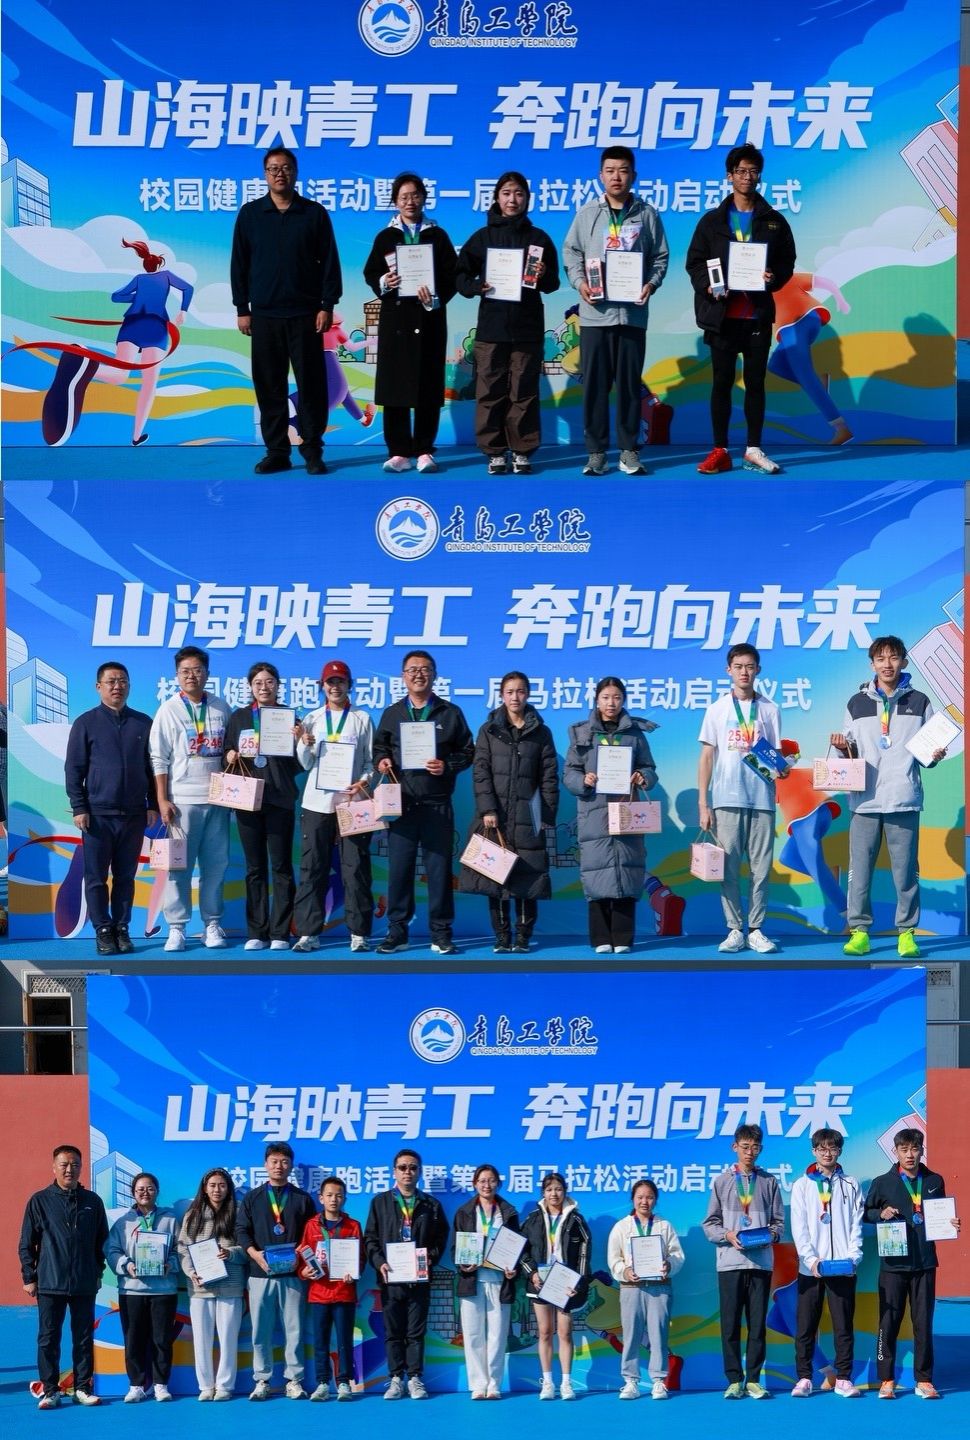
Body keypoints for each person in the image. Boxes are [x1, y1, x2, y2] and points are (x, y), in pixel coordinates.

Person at [831, 635, 947, 959]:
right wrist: (842, 747)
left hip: (903, 797)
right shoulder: (856, 703)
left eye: (893, 658)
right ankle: (859, 932)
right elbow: (850, 753)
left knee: (906, 871)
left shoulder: (920, 701)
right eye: (880, 659)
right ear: (872, 664)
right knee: (859, 871)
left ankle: (906, 933)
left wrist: (935, 755)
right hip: (865, 801)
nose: (887, 664)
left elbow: (928, 751)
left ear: (904, 662)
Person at [686, 143, 796, 475]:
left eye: (753, 171)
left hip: (757, 316)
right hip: (722, 317)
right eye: (741, 171)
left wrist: (773, 277)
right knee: (721, 383)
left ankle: (753, 449)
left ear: (759, 176)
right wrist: (708, 285)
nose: (747, 177)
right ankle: (719, 450)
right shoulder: (712, 221)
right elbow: (695, 263)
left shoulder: (773, 221)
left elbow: (786, 262)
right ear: (729, 175)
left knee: (755, 383)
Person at [230, 145, 341, 475]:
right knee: (270, 386)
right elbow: (239, 264)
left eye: (286, 168)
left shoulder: (313, 213)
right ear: (265, 175)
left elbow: (330, 262)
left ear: (296, 172)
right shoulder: (251, 214)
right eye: (273, 168)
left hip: (306, 315)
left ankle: (312, 450)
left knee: (312, 386)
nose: (280, 173)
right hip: (264, 315)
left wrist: (327, 305)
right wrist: (242, 307)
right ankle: (277, 451)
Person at [562, 144, 669, 476]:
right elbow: (571, 252)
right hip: (595, 316)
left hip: (632, 315)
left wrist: (650, 284)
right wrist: (581, 283)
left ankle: (628, 450)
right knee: (594, 387)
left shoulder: (646, 214)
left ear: (633, 175)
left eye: (623, 170)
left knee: (629, 386)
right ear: (600, 176)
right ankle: (596, 453)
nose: (616, 177)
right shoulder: (587, 214)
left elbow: (660, 256)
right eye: (610, 171)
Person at [41, 237, 192, 448]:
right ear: (159, 265)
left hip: (131, 324)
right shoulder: (166, 276)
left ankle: (87, 367)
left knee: (121, 374)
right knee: (149, 384)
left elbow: (116, 296)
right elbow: (187, 288)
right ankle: (136, 436)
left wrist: (137, 298)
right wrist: (183, 311)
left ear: (145, 266)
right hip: (154, 327)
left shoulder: (139, 279)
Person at [455, 171, 560, 474]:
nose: (512, 199)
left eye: (519, 193)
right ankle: (495, 452)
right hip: (492, 328)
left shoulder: (538, 238)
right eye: (506, 193)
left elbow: (553, 283)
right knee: (490, 392)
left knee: (524, 392)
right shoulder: (482, 238)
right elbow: (460, 276)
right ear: (497, 198)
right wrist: (477, 286)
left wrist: (543, 276)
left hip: (527, 328)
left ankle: (523, 450)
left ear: (527, 199)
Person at [372, 650, 474, 955]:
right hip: (401, 804)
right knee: (399, 871)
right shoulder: (393, 713)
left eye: (425, 669)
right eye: (412, 669)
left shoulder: (449, 712)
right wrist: (382, 761)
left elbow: (468, 751)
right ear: (403, 676)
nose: (419, 674)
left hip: (437, 803)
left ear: (434, 675)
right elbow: (379, 747)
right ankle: (397, 932)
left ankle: (441, 933)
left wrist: (447, 765)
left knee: (439, 871)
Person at [363, 172, 457, 473]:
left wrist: (436, 297)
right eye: (404, 197)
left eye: (415, 195)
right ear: (395, 201)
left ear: (424, 198)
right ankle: (399, 452)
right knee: (395, 387)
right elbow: (370, 273)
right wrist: (385, 281)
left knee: (428, 385)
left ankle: (425, 450)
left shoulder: (437, 236)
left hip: (429, 317)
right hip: (396, 320)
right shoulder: (385, 237)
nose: (410, 202)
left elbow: (452, 276)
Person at [698, 643, 788, 954]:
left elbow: (776, 755)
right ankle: (735, 929)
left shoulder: (770, 709)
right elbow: (707, 756)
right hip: (726, 798)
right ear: (729, 670)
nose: (744, 672)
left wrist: (782, 767)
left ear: (758, 670)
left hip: (762, 798)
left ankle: (756, 929)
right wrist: (703, 803)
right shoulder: (717, 709)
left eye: (750, 666)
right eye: (738, 667)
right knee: (728, 868)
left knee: (761, 870)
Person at [459, 671, 559, 952]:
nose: (516, 697)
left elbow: (549, 776)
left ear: (528, 694)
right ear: (502, 695)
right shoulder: (488, 730)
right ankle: (502, 936)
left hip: (529, 817)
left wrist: (547, 815)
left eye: (521, 691)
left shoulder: (541, 732)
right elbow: (481, 772)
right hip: (496, 817)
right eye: (510, 692)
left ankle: (523, 936)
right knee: (495, 876)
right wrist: (487, 809)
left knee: (528, 878)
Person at [65, 661, 156, 955]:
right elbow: (74, 769)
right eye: (111, 681)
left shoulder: (143, 723)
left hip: (134, 815)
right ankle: (103, 930)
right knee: (95, 878)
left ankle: (122, 928)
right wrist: (79, 807)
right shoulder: (85, 723)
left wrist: (153, 805)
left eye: (123, 681)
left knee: (126, 877)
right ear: (98, 687)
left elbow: (153, 768)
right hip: (97, 816)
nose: (118, 686)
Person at [864, 1127, 960, 1400]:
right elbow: (866, 1213)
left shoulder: (934, 1180)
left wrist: (951, 1223)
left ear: (921, 1150)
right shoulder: (882, 1182)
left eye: (914, 1149)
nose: (910, 1155)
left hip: (924, 1264)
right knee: (888, 1322)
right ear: (895, 1152)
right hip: (893, 1265)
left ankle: (924, 1379)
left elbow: (940, 1214)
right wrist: (880, 1213)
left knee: (923, 1323)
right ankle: (886, 1379)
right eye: (904, 1150)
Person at [563, 676, 658, 953]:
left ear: (623, 700)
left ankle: (623, 938)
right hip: (594, 812)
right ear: (596, 700)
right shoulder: (582, 733)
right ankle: (601, 938)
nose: (611, 703)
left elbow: (649, 768)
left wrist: (642, 777)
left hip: (627, 809)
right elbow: (569, 772)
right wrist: (584, 780)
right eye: (605, 697)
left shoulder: (634, 734)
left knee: (627, 870)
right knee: (596, 873)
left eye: (616, 697)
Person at [150, 646, 231, 952]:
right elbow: (158, 758)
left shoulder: (221, 708)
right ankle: (177, 928)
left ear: (207, 673)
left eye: (197, 670)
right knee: (178, 868)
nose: (191, 676)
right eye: (185, 671)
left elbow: (230, 751)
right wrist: (162, 800)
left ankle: (212, 924)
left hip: (218, 800)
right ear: (176, 675)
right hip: (181, 802)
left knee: (215, 866)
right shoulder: (168, 710)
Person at [291, 660, 375, 952]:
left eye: (340, 681)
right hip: (317, 803)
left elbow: (370, 762)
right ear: (322, 686)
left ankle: (359, 933)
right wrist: (304, 743)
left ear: (349, 685)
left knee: (356, 868)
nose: (335, 687)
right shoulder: (312, 718)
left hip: (353, 802)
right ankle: (308, 933)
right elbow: (305, 764)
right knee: (313, 868)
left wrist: (363, 783)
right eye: (330, 682)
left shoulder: (362, 718)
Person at [19, 1144, 109, 1409]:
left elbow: (101, 1242)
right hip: (50, 1282)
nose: (70, 1169)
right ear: (54, 1167)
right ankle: (50, 1390)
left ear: (81, 1167)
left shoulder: (92, 1201)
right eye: (64, 1164)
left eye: (75, 1164)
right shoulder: (39, 1201)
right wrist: (29, 1277)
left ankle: (82, 1387)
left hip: (84, 1283)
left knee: (83, 1337)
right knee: (48, 1339)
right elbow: (27, 1243)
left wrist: (97, 1271)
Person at [702, 1123, 784, 1399]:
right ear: (734, 1147)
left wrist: (769, 1235)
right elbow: (710, 1224)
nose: (750, 1152)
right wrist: (728, 1235)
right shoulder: (721, 1182)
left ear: (761, 1149)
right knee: (730, 1324)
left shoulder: (769, 1182)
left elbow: (779, 1224)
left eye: (755, 1147)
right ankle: (734, 1380)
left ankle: (754, 1380)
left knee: (757, 1325)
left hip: (760, 1264)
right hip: (730, 1263)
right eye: (745, 1146)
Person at [223, 661, 301, 951]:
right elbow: (226, 751)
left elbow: (300, 763)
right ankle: (257, 931)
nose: (264, 687)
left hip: (280, 798)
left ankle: (280, 932)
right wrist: (230, 755)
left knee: (281, 867)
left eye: (269, 682)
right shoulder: (240, 717)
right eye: (258, 683)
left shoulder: (288, 717)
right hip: (247, 800)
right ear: (250, 687)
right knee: (254, 868)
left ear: (278, 686)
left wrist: (298, 742)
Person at [363, 1149, 449, 1400]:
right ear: (394, 1172)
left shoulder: (431, 1205)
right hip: (390, 1279)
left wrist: (431, 1257)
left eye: (412, 1167)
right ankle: (395, 1379)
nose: (407, 1172)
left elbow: (441, 1237)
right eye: (402, 1167)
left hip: (419, 1278)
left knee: (415, 1332)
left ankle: (415, 1378)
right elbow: (370, 1239)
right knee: (393, 1332)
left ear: (419, 1172)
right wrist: (379, 1262)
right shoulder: (380, 1202)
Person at [236, 1141, 317, 1400]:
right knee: (261, 1330)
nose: (279, 1166)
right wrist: (255, 1254)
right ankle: (262, 1379)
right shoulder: (253, 1198)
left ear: (291, 1166)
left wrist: (300, 1256)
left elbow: (312, 1234)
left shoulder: (303, 1199)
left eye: (284, 1162)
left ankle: (294, 1380)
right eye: (274, 1161)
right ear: (266, 1165)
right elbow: (241, 1231)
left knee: (294, 1329)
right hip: (260, 1274)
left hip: (293, 1276)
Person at [789, 1128, 863, 1398]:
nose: (827, 1153)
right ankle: (804, 1378)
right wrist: (811, 1260)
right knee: (806, 1326)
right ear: (814, 1151)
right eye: (822, 1148)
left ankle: (843, 1378)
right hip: (811, 1269)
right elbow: (799, 1227)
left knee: (843, 1326)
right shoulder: (801, 1185)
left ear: (840, 1151)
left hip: (843, 1268)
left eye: (832, 1148)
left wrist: (854, 1258)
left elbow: (856, 1224)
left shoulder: (851, 1184)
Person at [105, 1171, 180, 1402]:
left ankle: (161, 1385)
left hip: (164, 1290)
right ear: (133, 1193)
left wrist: (171, 1264)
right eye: (140, 1189)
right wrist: (126, 1265)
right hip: (132, 1290)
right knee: (133, 1339)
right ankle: (136, 1385)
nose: (145, 1193)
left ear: (157, 1191)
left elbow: (181, 1249)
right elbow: (111, 1250)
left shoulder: (170, 1219)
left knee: (162, 1340)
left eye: (150, 1188)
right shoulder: (123, 1222)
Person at [608, 1178, 685, 1401]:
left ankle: (659, 1381)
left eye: (649, 1197)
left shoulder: (664, 1225)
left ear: (655, 1200)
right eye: (640, 1197)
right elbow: (614, 1258)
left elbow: (677, 1254)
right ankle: (630, 1381)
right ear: (633, 1199)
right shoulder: (622, 1226)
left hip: (659, 1287)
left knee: (658, 1334)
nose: (645, 1201)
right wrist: (625, 1271)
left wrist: (669, 1265)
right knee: (631, 1334)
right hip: (631, 1287)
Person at [177, 1167, 248, 1401]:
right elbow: (183, 1249)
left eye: (222, 1185)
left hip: (231, 1285)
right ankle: (206, 1386)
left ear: (228, 1188)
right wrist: (190, 1272)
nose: (217, 1190)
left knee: (228, 1339)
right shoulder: (193, 1214)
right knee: (201, 1339)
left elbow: (248, 1248)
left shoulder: (238, 1212)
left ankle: (225, 1386)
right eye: (213, 1185)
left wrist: (231, 1253)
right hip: (201, 1287)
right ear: (205, 1189)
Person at [452, 1164, 522, 1399]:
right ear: (475, 1184)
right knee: (473, 1335)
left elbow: (516, 1247)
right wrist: (463, 1264)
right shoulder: (464, 1212)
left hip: (500, 1281)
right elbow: (455, 1247)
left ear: (498, 1184)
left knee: (497, 1335)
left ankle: (494, 1384)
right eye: (482, 1181)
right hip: (471, 1281)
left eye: (491, 1180)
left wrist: (513, 1269)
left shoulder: (508, 1212)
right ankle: (478, 1384)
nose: (487, 1185)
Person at [520, 1173, 591, 1400]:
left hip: (565, 1283)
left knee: (565, 1332)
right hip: (539, 1281)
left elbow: (584, 1253)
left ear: (565, 1192)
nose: (554, 1194)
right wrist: (531, 1273)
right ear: (543, 1193)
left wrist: (578, 1282)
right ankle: (548, 1382)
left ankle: (567, 1383)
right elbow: (522, 1250)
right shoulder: (532, 1219)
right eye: (549, 1189)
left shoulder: (576, 1219)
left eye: (558, 1189)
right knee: (544, 1332)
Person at [296, 1175, 364, 1401]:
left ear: (345, 1199)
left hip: (344, 1292)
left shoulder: (353, 1226)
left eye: (339, 1195)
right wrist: (303, 1273)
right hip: (319, 1293)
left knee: (345, 1341)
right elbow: (302, 1257)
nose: (334, 1199)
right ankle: (323, 1383)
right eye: (329, 1195)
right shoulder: (311, 1225)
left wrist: (354, 1272)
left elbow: (360, 1258)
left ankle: (344, 1382)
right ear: (321, 1198)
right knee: (320, 1341)